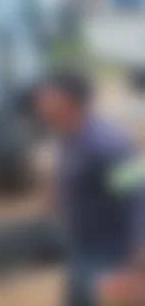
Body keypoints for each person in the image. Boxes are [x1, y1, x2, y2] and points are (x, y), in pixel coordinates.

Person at [30, 70, 145, 305]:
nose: (40, 103)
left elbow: (137, 200)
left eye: (47, 97)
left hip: (110, 251)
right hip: (83, 242)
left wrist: (135, 269)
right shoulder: (69, 135)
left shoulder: (109, 145)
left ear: (66, 101)